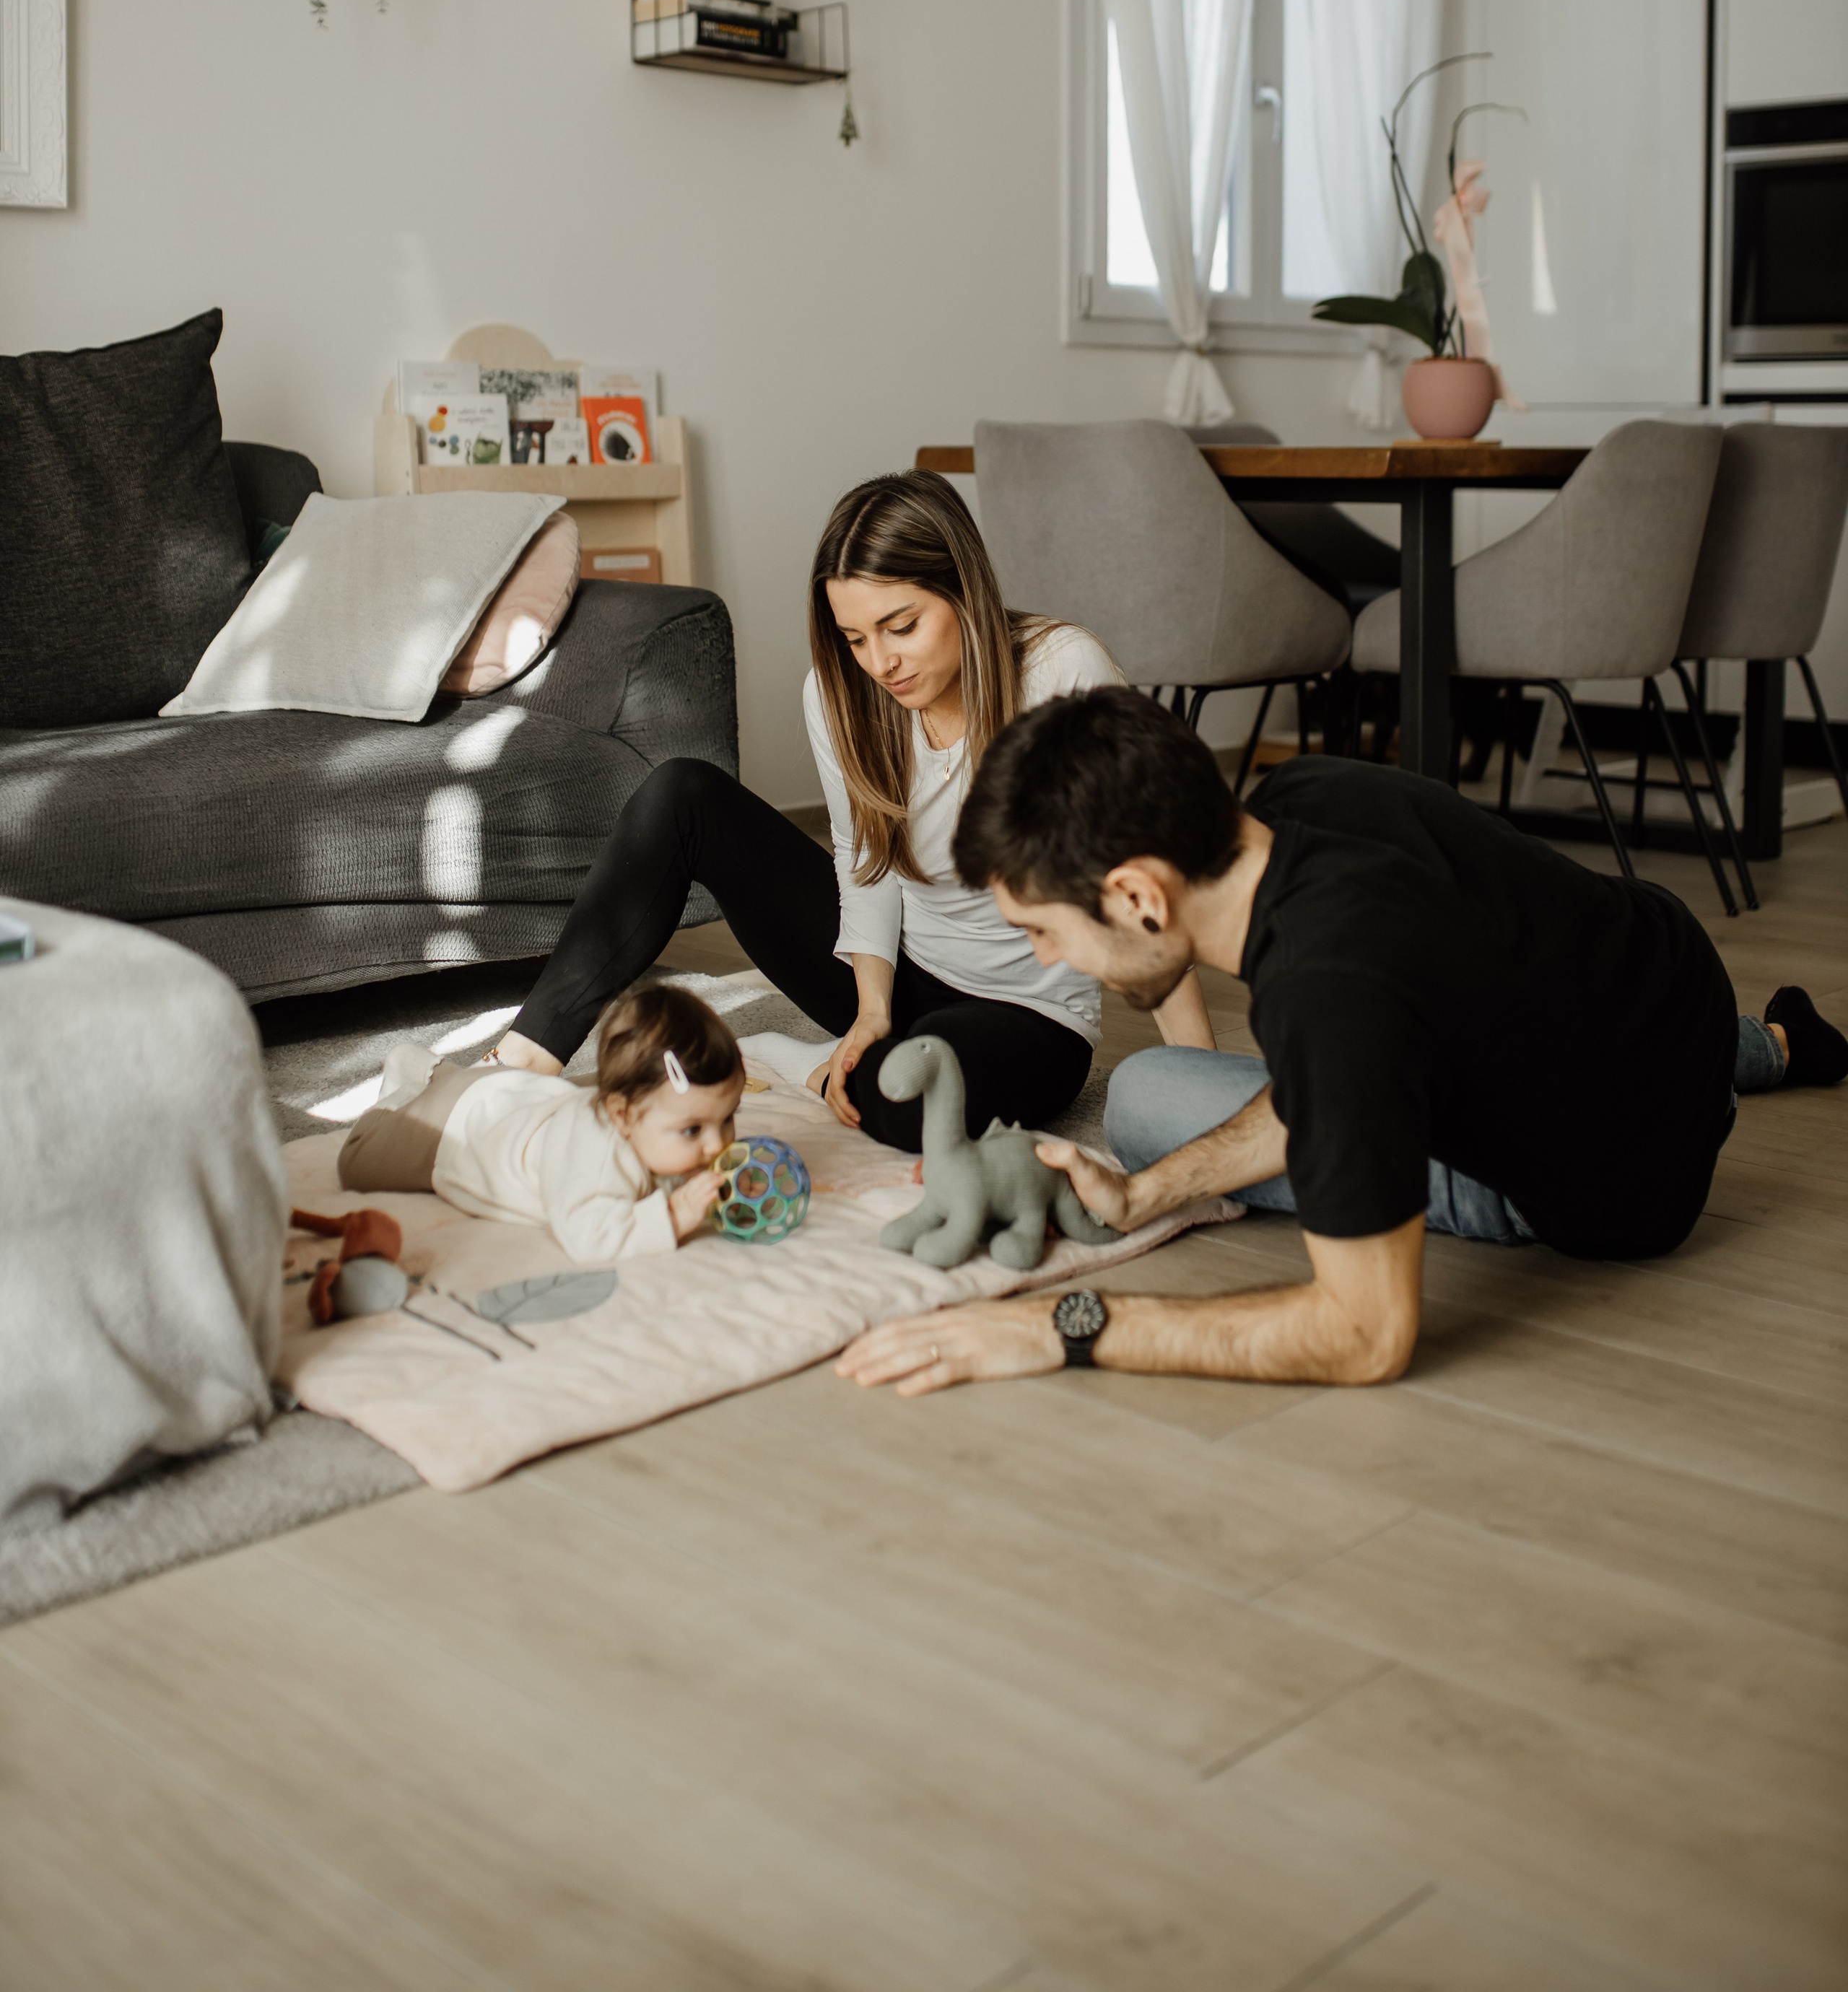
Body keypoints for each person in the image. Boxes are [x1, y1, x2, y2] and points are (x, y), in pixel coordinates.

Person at [839, 688, 1845, 1397]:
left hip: (1634, 1193)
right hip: (1674, 994)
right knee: (1230, 1099)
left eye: (1045, 932)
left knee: (1144, 1098)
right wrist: (1148, 1199)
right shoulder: (1307, 796)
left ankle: (1761, 1055)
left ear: (1140, 896)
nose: (1053, 966)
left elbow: (1365, 1335)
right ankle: (1772, 1048)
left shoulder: (1330, 994)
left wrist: (1061, 1327)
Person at [477, 473, 1215, 1152]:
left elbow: (1149, 875)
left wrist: (1200, 1082)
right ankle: (519, 1066)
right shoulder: (838, 695)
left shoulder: (1065, 671)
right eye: (855, 637)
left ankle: (800, 1061)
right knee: (683, 795)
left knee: (896, 1099)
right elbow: (865, 867)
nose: (880, 663)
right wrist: (869, 1011)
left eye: (902, 626)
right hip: (894, 970)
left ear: (965, 590)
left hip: (1030, 1017)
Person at [339, 982, 744, 1262]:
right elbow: (591, 1238)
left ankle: (436, 1070)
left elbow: (667, 1171)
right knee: (356, 1164)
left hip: (517, 1092)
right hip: (459, 1124)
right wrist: (672, 1218)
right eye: (693, 1130)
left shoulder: (650, 1127)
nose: (717, 1145)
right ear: (622, 1117)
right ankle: (409, 1079)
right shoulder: (596, 1161)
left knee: (486, 1087)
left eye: (727, 1119)